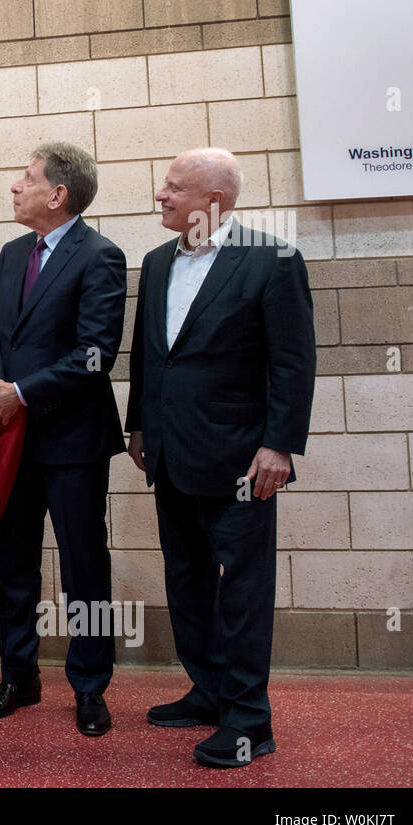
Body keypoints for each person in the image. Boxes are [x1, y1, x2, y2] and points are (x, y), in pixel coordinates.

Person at [125, 147, 315, 767]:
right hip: (171, 457)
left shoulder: (273, 259)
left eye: (174, 188)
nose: (161, 195)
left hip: (242, 464)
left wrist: (279, 445)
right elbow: (149, 356)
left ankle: (249, 721)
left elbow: (292, 361)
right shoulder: (156, 263)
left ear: (214, 201)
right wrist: (137, 428)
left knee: (243, 592)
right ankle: (207, 692)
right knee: (188, 583)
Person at [0, 142, 127, 736]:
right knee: (13, 560)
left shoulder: (100, 256)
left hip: (72, 441)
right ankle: (19, 676)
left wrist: (22, 391)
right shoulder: (13, 254)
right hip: (7, 437)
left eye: (26, 179)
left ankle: (89, 687)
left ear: (58, 194)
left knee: (84, 564)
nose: (15, 187)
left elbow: (95, 355)